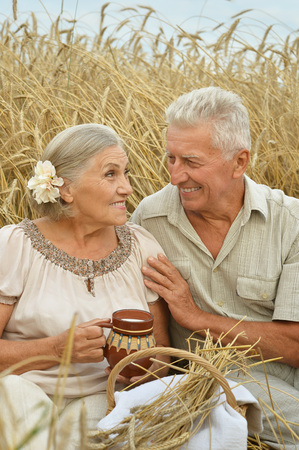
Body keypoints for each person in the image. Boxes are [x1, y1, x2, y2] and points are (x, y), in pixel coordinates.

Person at [131, 87, 299, 449]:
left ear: (239, 162)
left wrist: (196, 317)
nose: (176, 177)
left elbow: (295, 344)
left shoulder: (292, 222)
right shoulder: (149, 219)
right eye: (171, 159)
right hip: (212, 383)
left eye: (191, 162)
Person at [0, 123, 169, 449]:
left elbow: (161, 351)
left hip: (103, 399)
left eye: (126, 173)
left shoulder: (142, 248)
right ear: (66, 189)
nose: (127, 188)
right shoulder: (14, 247)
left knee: (110, 419)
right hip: (22, 397)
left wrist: (147, 372)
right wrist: (54, 350)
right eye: (110, 174)